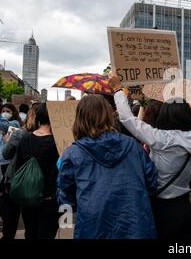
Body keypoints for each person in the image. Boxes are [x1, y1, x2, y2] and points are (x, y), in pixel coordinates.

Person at [109, 73, 191, 239]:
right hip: (184, 208)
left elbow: (127, 118)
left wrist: (118, 89)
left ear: (165, 116)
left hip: (162, 209)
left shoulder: (162, 139)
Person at [57, 95, 157, 239]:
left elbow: (65, 196)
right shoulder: (133, 145)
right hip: (135, 223)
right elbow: (152, 182)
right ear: (108, 115)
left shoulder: (72, 153)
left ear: (79, 118)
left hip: (92, 226)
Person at [14, 103, 59, 239]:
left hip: (28, 196)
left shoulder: (25, 138)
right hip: (49, 198)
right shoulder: (56, 143)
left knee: (30, 233)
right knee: (47, 234)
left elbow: (18, 166)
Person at [0, 103, 40, 239]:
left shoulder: (18, 134)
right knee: (31, 224)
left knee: (10, 220)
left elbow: (6, 154)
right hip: (34, 183)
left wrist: (7, 142)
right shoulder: (45, 137)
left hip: (13, 180)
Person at [0, 103, 23, 229]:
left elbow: (5, 125)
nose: (5, 112)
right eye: (3, 110)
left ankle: (4, 219)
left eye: (8, 110)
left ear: (13, 112)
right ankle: (0, 217)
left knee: (4, 194)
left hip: (7, 164)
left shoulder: (14, 124)